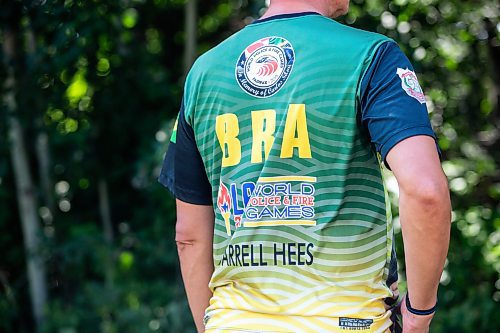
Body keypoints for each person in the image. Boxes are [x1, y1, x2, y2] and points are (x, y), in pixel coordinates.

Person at [159, 0, 451, 332]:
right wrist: (418, 314)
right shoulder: (370, 55)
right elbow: (425, 190)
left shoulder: (204, 72)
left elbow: (189, 236)